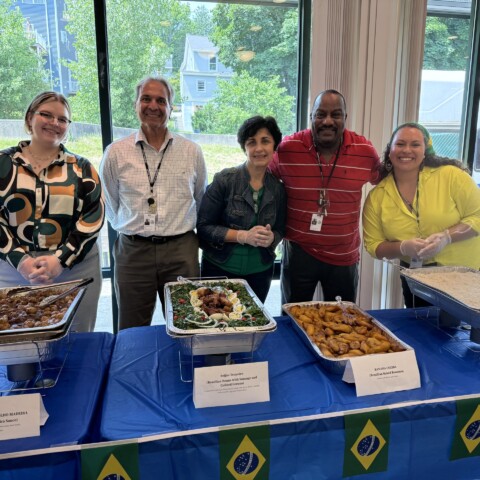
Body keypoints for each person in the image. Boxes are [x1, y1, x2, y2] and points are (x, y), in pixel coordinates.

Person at [100, 77, 207, 330]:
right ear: (136, 103)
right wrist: (133, 227)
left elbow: (201, 198)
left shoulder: (191, 151)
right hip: (133, 252)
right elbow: (111, 202)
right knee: (131, 328)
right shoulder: (116, 152)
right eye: (146, 98)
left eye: (162, 100)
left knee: (190, 322)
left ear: (171, 108)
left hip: (181, 250)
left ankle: (186, 368)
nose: (153, 106)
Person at [0, 91, 104, 332]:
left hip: (74, 268)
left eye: (62, 119)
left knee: (76, 342)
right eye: (46, 115)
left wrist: (61, 259)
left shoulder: (82, 168)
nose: (54, 123)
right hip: (13, 271)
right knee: (18, 339)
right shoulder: (4, 163)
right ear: (29, 119)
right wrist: (20, 260)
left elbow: (93, 217)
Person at [269, 89, 380, 305]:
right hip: (298, 252)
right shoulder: (288, 149)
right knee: (293, 318)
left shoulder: (364, 151)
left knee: (343, 322)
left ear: (345, 118)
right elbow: (261, 179)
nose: (327, 121)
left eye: (335, 114)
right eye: (320, 114)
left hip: (343, 256)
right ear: (311, 117)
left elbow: (390, 181)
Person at [362, 122, 480, 307]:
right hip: (416, 279)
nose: (407, 150)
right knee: (421, 331)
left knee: (462, 334)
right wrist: (402, 248)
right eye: (400, 144)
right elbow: (373, 245)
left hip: (463, 278)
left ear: (426, 151)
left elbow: (477, 217)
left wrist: (447, 237)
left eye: (415, 144)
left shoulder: (451, 176)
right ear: (390, 151)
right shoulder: (377, 197)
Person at [197, 116, 287, 303]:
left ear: (274, 146)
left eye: (265, 141)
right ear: (244, 147)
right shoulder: (224, 180)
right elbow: (204, 227)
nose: (259, 148)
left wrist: (273, 238)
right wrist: (242, 236)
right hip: (219, 269)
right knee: (216, 323)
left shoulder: (278, 188)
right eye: (251, 142)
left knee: (251, 326)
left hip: (260, 274)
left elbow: (280, 228)